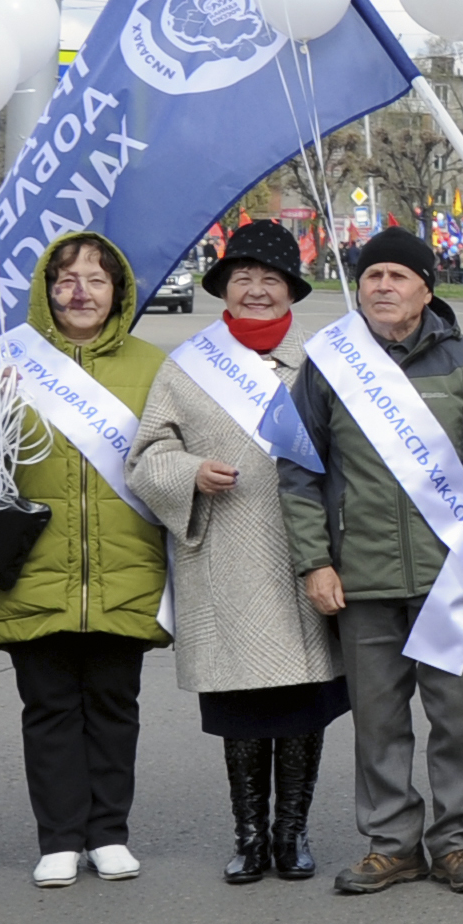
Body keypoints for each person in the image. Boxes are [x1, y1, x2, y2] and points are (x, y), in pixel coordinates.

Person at [280, 225, 463, 896]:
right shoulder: (330, 362)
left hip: (452, 578)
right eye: (371, 276)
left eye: (397, 275)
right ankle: (391, 844)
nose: (382, 286)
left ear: (426, 288)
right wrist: (315, 563)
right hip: (361, 578)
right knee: (379, 720)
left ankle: (457, 844)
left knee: (456, 719)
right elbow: (299, 471)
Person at [0, 232, 171, 888]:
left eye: (96, 280)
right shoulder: (5, 359)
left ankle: (109, 833)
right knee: (47, 709)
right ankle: (61, 836)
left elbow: (171, 453)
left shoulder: (153, 366)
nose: (80, 291)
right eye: (67, 278)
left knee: (113, 705)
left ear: (117, 292)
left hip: (123, 568)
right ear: (46, 288)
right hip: (30, 567)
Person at [128, 220, 346, 886]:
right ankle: (249, 835)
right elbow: (146, 457)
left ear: (291, 290)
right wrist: (189, 472)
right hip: (223, 554)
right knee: (243, 706)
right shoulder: (187, 366)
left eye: (270, 279)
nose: (255, 290)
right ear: (224, 287)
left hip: (305, 555)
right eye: (243, 278)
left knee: (303, 700)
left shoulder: (327, 361)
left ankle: (293, 833)